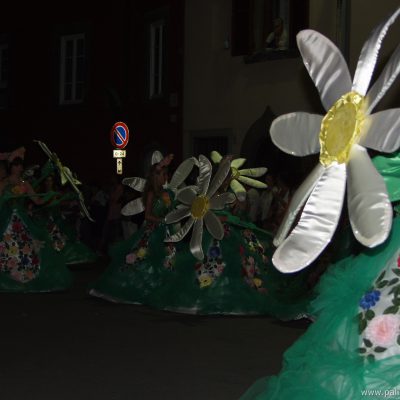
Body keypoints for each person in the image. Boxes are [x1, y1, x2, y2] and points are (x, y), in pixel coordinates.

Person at [89, 154, 178, 303]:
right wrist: (162, 220)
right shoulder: (151, 193)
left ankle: (163, 288)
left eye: (166, 174)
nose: (166, 177)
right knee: (143, 258)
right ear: (156, 177)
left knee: (168, 260)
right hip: (153, 232)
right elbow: (148, 216)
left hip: (166, 232)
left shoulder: (168, 193)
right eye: (163, 175)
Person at [0, 156, 72, 292]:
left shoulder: (25, 183)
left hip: (22, 220)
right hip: (6, 219)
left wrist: (50, 195)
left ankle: (24, 275)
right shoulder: (4, 182)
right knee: (7, 247)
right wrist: (4, 198)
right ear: (11, 167)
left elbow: (37, 201)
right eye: (16, 165)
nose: (19, 168)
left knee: (28, 247)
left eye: (20, 165)